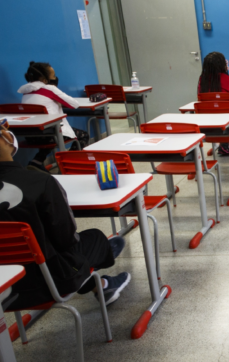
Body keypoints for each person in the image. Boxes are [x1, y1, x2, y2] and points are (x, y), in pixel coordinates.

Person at [0, 120, 131, 309]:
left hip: (5, 287)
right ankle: (102, 272)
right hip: (48, 281)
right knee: (94, 238)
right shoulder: (40, 181)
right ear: (5, 139)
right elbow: (66, 239)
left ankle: (100, 279)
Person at [18, 62, 89, 172]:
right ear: (44, 79)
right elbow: (74, 104)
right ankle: (67, 165)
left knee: (51, 132)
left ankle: (36, 162)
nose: (55, 78)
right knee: (83, 135)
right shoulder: (49, 89)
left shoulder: (26, 92)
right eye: (53, 75)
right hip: (50, 134)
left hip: (31, 136)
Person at [197, 51, 229, 155]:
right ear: (222, 65)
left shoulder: (202, 80)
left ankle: (224, 144)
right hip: (227, 120)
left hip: (208, 121)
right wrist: (226, 73)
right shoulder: (226, 79)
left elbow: (199, 96)